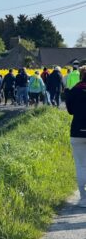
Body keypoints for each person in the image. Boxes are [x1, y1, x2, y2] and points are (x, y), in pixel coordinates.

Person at [65, 66, 86, 207]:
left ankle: (84, 199)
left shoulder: (75, 90)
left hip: (77, 131)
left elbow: (70, 111)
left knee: (81, 166)